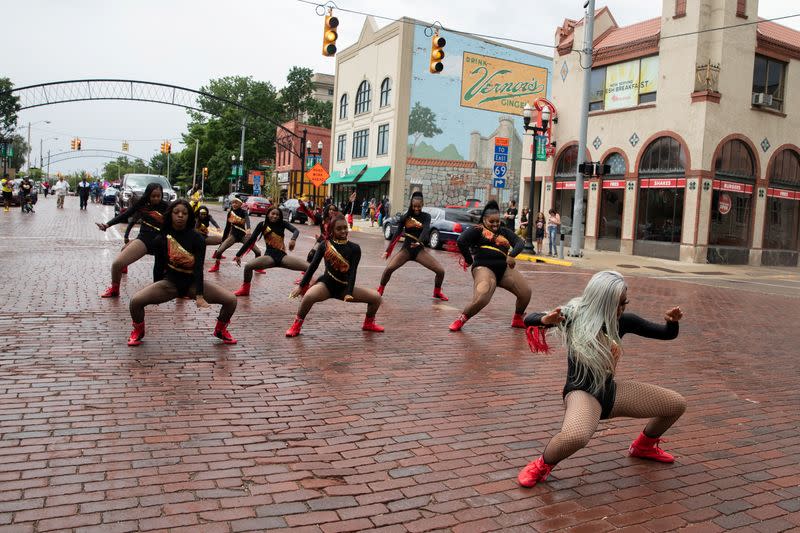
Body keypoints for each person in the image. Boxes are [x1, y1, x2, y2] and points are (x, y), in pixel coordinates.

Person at [517, 270, 686, 488]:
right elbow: (528, 319)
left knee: (676, 404)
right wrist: (545, 319)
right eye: (618, 303)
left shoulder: (624, 321)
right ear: (602, 301)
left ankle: (644, 446)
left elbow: (665, 334)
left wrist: (672, 322)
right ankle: (541, 465)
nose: (622, 308)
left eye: (625, 302)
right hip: (582, 393)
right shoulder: (573, 316)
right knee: (576, 437)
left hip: (610, 392)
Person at [127, 199, 238, 347]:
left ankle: (220, 330)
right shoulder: (161, 238)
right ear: (170, 214)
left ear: (189, 216)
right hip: (170, 284)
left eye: (184, 213)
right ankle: (138, 331)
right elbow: (158, 266)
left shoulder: (197, 238)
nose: (180, 216)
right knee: (136, 301)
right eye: (176, 212)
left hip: (192, 284)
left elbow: (199, 268)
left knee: (231, 300)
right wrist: (157, 285)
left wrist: (199, 295)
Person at [286, 214, 384, 337]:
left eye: (345, 227)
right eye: (339, 228)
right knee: (308, 297)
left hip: (344, 287)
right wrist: (301, 286)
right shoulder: (324, 245)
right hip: (326, 286)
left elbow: (353, 272)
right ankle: (296, 325)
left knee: (376, 298)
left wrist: (349, 292)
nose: (343, 231)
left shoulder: (355, 248)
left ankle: (368, 324)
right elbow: (313, 267)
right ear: (332, 230)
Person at [449, 200, 531, 332]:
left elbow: (519, 242)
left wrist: (512, 255)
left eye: (497, 221)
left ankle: (517, 318)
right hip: (484, 268)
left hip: (503, 270)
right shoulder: (477, 230)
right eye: (491, 222)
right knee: (482, 297)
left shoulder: (504, 231)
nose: (495, 224)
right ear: (484, 220)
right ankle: (462, 318)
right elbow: (461, 241)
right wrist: (469, 260)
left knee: (526, 292)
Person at [96, 183, 169, 298]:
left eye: (158, 196)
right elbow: (125, 215)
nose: (156, 198)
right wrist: (107, 225)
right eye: (153, 196)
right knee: (117, 264)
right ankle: (114, 289)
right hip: (144, 240)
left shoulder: (167, 207)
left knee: (170, 271)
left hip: (162, 243)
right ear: (148, 195)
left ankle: (182, 291)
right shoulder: (142, 204)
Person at [378, 191, 448, 301]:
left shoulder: (426, 216)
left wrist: (419, 241)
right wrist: (388, 250)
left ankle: (437, 292)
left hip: (419, 251)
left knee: (440, 271)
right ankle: (380, 291)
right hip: (406, 250)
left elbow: (425, 230)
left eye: (419, 206)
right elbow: (397, 234)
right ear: (411, 204)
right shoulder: (405, 217)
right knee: (389, 269)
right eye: (414, 206)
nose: (416, 209)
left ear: (422, 204)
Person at [232, 206, 308, 297]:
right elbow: (251, 240)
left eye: (277, 215)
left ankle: (304, 289)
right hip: (269, 257)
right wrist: (238, 255)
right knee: (248, 266)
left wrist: (293, 239)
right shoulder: (262, 224)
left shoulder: (283, 223)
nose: (275, 216)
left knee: (308, 267)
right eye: (273, 214)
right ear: (268, 214)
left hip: (283, 257)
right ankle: (245, 289)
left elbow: (296, 230)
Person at [207, 197, 261, 273]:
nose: (234, 204)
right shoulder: (230, 213)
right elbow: (227, 227)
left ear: (240, 204)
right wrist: (223, 239)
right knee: (219, 251)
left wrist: (248, 228)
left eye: (236, 203)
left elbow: (247, 219)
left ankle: (258, 267)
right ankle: (216, 266)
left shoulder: (244, 212)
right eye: (233, 203)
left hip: (243, 236)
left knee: (258, 252)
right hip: (233, 236)